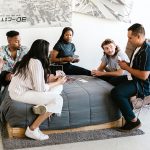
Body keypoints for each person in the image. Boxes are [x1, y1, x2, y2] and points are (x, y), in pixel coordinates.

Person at [8, 39, 67, 140]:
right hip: (20, 93)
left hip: (21, 90)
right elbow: (40, 89)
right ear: (42, 51)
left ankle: (41, 106)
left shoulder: (29, 59)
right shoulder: (35, 62)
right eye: (48, 50)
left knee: (58, 87)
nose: (50, 52)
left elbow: (33, 80)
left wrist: (50, 79)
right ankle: (32, 130)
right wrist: (58, 82)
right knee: (58, 99)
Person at [111, 23, 150, 131]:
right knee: (111, 80)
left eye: (130, 37)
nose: (128, 40)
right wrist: (126, 65)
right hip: (133, 78)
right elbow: (136, 67)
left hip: (142, 84)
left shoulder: (147, 51)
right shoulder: (138, 47)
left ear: (138, 36)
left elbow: (144, 75)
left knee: (116, 92)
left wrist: (126, 68)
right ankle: (128, 108)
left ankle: (133, 121)